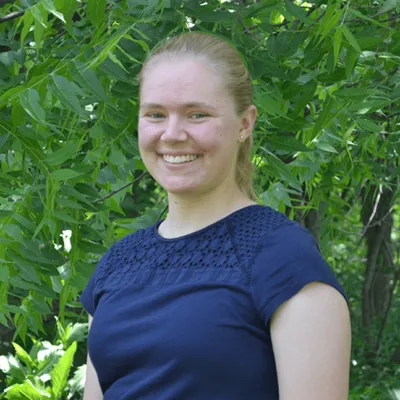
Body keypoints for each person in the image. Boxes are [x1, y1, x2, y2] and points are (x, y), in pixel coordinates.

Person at [81, 31, 351, 400]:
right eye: (156, 114)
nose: (172, 134)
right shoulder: (117, 263)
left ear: (245, 124)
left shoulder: (283, 260)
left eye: (197, 114)